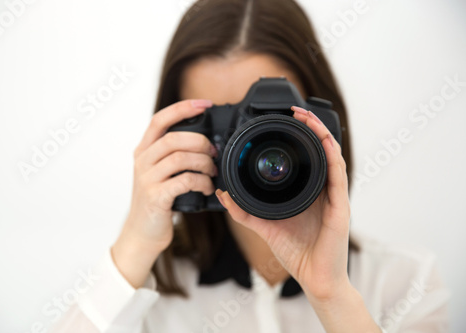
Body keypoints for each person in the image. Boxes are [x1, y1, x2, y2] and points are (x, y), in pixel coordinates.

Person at [49, 0, 449, 332]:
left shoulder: (406, 282)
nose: (251, 147)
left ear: (324, 125)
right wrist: (135, 245)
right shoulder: (144, 293)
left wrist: (332, 297)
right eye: (227, 124)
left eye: (268, 121)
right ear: (176, 131)